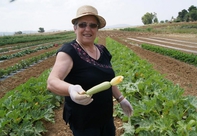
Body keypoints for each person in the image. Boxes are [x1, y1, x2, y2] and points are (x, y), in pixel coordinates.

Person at [47, 5, 133, 136]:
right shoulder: (69, 52)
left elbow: (108, 80)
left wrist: (121, 99)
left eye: (93, 25)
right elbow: (52, 82)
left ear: (97, 29)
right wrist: (70, 89)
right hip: (84, 123)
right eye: (82, 25)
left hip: (106, 117)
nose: (88, 29)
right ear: (75, 28)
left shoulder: (102, 50)